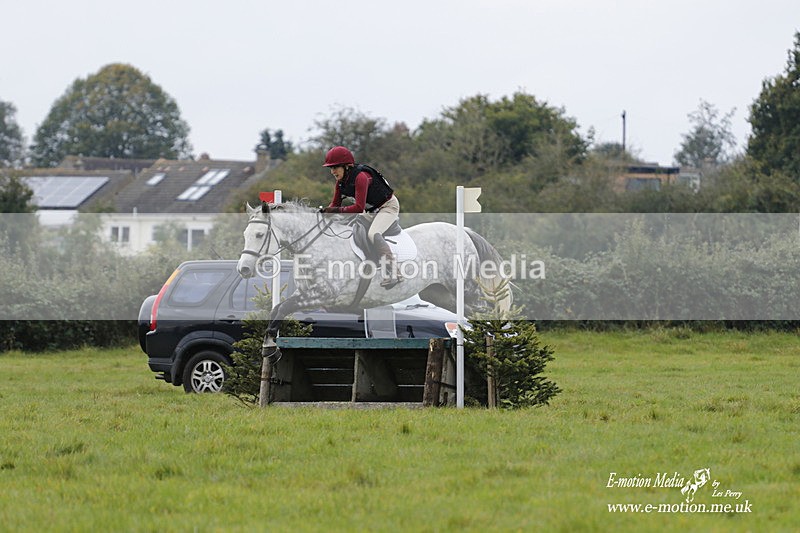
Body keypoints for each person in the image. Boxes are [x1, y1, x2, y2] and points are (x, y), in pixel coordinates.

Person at [321, 146, 402, 288]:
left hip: (387, 207)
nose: (332, 171)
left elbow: (358, 208)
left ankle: (395, 272)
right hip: (371, 211)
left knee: (373, 234)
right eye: (331, 168)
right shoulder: (340, 182)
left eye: (336, 167)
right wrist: (323, 216)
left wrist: (334, 210)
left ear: (347, 167)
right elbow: (335, 204)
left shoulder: (361, 177)